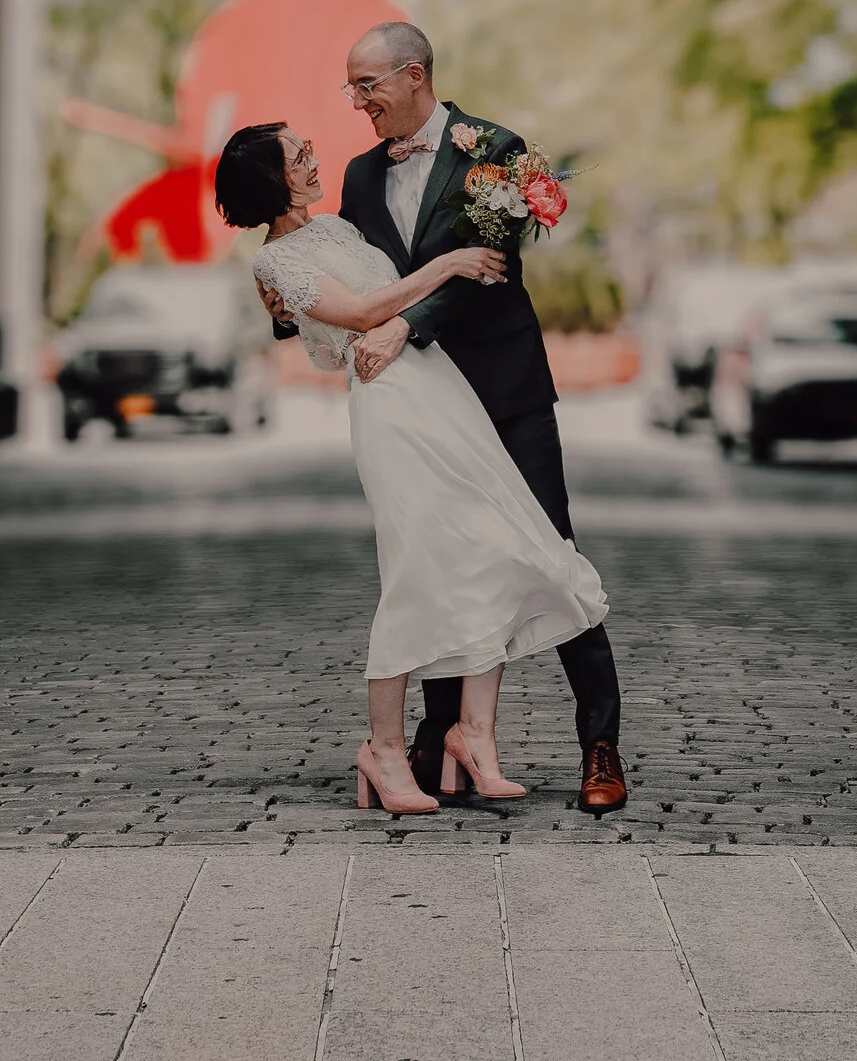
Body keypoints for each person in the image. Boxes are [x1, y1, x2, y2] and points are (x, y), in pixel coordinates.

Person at [215, 115, 611, 818]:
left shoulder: (356, 217)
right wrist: (450, 262)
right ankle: (390, 749)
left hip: (453, 383)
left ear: (412, 73)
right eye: (298, 153)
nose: (320, 147)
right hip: (390, 396)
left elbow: (371, 286)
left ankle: (491, 737)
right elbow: (361, 307)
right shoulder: (310, 228)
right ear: (270, 180)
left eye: (367, 85)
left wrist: (311, 313)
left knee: (501, 546)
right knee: (420, 566)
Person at [337, 19, 628, 815]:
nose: (358, 101)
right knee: (437, 561)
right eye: (352, 88)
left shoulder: (494, 150)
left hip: (502, 391)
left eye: (368, 85)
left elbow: (486, 269)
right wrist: (289, 307)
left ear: (415, 75)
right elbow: (356, 282)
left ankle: (599, 743)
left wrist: (408, 324)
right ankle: (439, 741)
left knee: (552, 552)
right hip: (422, 404)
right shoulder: (361, 177)